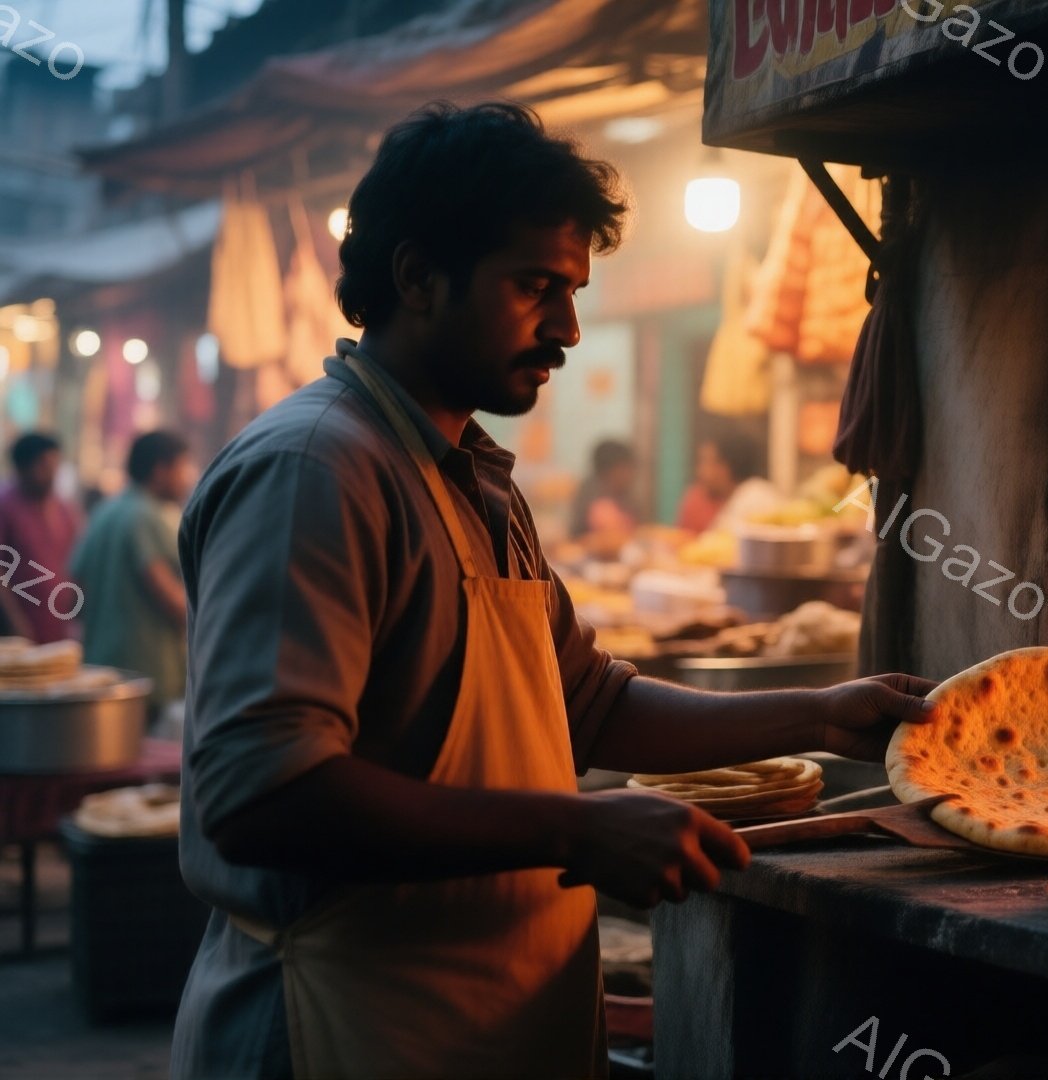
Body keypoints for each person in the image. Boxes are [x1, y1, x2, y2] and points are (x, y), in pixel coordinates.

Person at [169, 101, 936, 1080]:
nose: (569, 328)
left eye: (574, 289)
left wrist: (826, 713)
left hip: (489, 1018)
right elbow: (260, 793)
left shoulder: (469, 472)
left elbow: (590, 704)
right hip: (347, 1022)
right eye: (535, 286)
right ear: (416, 276)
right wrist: (577, 825)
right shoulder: (317, 470)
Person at [68, 432, 190, 704]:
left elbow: (73, 593)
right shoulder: (146, 516)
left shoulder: (104, 512)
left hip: (100, 665)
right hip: (143, 671)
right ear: (160, 470)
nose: (187, 478)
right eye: (182, 468)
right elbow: (171, 598)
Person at [0, 432, 84, 642]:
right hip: (17, 631)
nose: (52, 474)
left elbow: (78, 562)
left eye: (55, 466)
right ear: (22, 468)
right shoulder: (6, 507)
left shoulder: (66, 509)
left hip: (59, 626)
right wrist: (16, 622)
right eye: (44, 466)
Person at [683, 425, 782, 533]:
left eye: (708, 462)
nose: (701, 471)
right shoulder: (726, 499)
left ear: (728, 466)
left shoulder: (757, 497)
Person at [568, 438, 639, 539]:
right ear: (608, 471)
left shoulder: (626, 495)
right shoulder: (590, 491)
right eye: (624, 469)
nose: (630, 475)